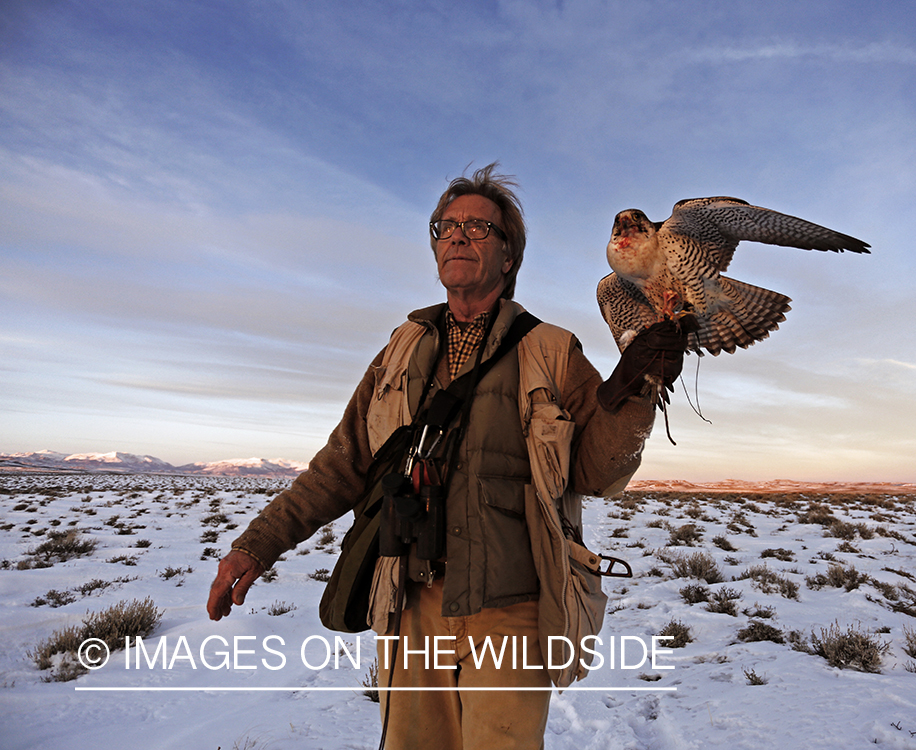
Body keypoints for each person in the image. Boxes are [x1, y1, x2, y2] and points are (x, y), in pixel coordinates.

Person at [206, 163, 687, 750]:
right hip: (409, 603)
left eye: (479, 229)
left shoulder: (551, 349)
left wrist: (636, 393)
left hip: (511, 609)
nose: (457, 236)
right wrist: (256, 545)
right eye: (445, 227)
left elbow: (596, 472)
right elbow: (342, 463)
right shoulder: (401, 348)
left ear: (509, 258)